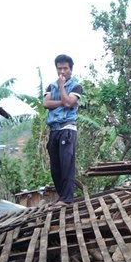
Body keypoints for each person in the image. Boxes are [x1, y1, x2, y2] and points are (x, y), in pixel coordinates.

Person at [43, 54, 83, 210]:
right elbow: (46, 103)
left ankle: (67, 199)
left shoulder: (75, 86)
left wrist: (61, 88)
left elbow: (69, 102)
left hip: (67, 128)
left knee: (67, 164)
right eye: (59, 68)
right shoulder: (50, 86)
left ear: (71, 70)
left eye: (65, 68)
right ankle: (62, 197)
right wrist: (64, 103)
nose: (62, 71)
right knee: (55, 166)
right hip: (54, 129)